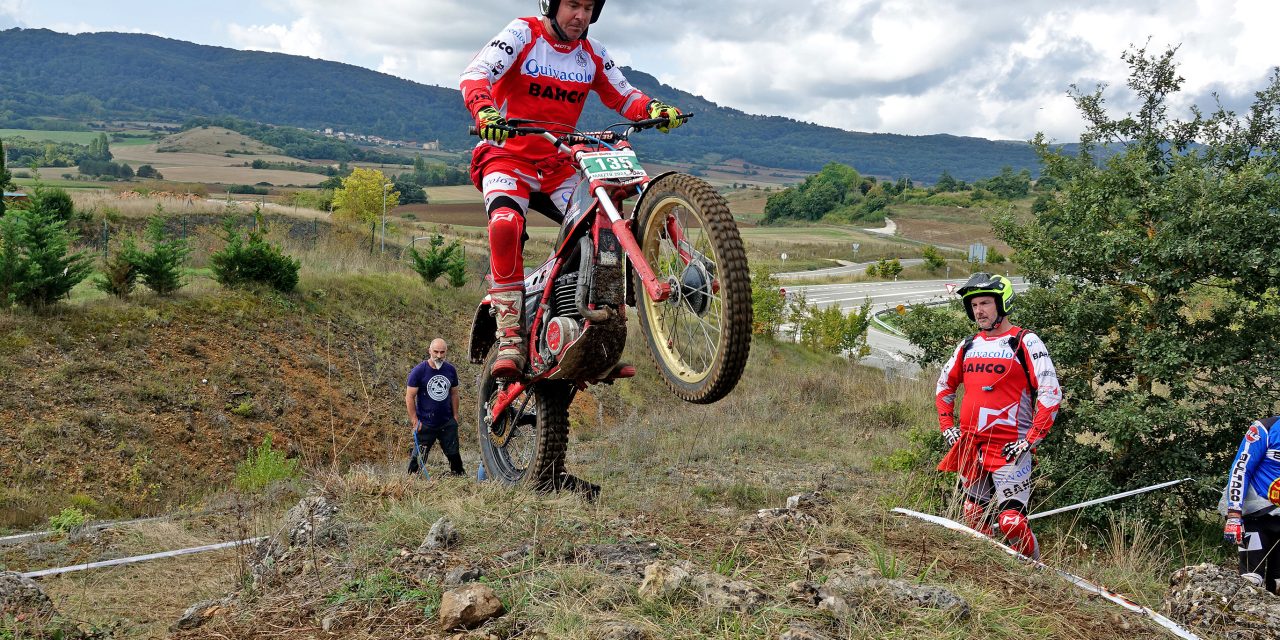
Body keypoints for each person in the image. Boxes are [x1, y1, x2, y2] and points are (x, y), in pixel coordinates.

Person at [459, 0, 686, 379]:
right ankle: (510, 334)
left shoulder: (593, 54)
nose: (580, 16)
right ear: (551, 4)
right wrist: (485, 111)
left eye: (588, 8)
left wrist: (654, 108)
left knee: (606, 232)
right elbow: (475, 73)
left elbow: (624, 95)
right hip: (507, 156)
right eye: (572, 5)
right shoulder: (522, 33)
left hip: (560, 164)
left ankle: (593, 336)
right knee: (504, 224)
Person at [935, 273, 1062, 560]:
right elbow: (944, 387)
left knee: (1012, 523)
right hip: (970, 446)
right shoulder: (968, 345)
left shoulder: (1024, 341)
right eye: (974, 305)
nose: (978, 311)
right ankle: (989, 572)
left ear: (1002, 303)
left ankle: (1034, 570)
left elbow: (1051, 394)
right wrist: (947, 426)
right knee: (973, 515)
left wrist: (1031, 440)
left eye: (985, 303)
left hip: (1010, 449)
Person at [1221, 416, 1280, 593]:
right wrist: (1233, 515)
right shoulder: (1264, 428)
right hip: (1255, 515)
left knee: (1278, 584)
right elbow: (1241, 468)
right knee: (1251, 581)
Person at [405, 338, 464, 476]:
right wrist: (414, 420)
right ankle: (411, 483)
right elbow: (409, 397)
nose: (438, 355)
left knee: (454, 456)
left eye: (442, 352)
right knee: (418, 459)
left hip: (447, 422)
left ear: (446, 352)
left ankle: (459, 480)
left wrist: (455, 417)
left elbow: (454, 394)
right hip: (425, 424)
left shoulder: (450, 370)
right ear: (429, 351)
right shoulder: (418, 371)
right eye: (436, 352)